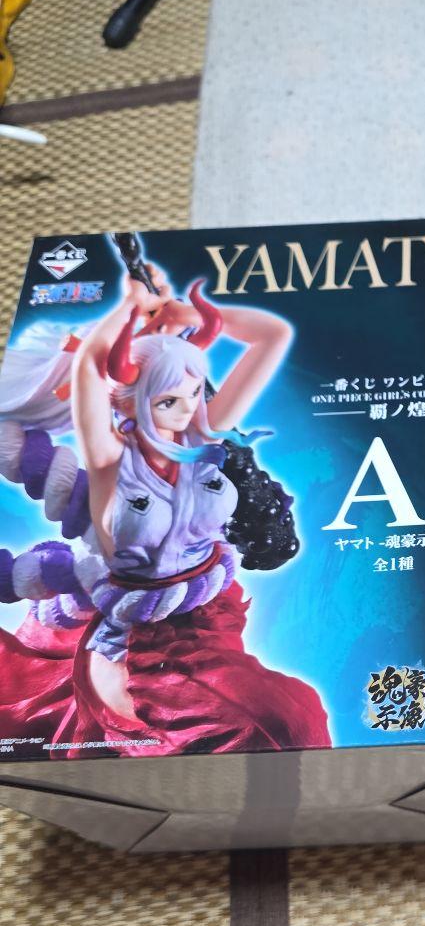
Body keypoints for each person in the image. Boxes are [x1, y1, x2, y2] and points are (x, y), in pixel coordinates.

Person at [0, 266, 330, 756]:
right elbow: (89, 366)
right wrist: (128, 306)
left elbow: (272, 335)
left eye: (194, 392)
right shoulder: (111, 463)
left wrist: (187, 314)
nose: (189, 408)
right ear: (129, 402)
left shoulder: (200, 438)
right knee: (268, 725)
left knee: (289, 724)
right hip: (138, 636)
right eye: (170, 399)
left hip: (204, 613)